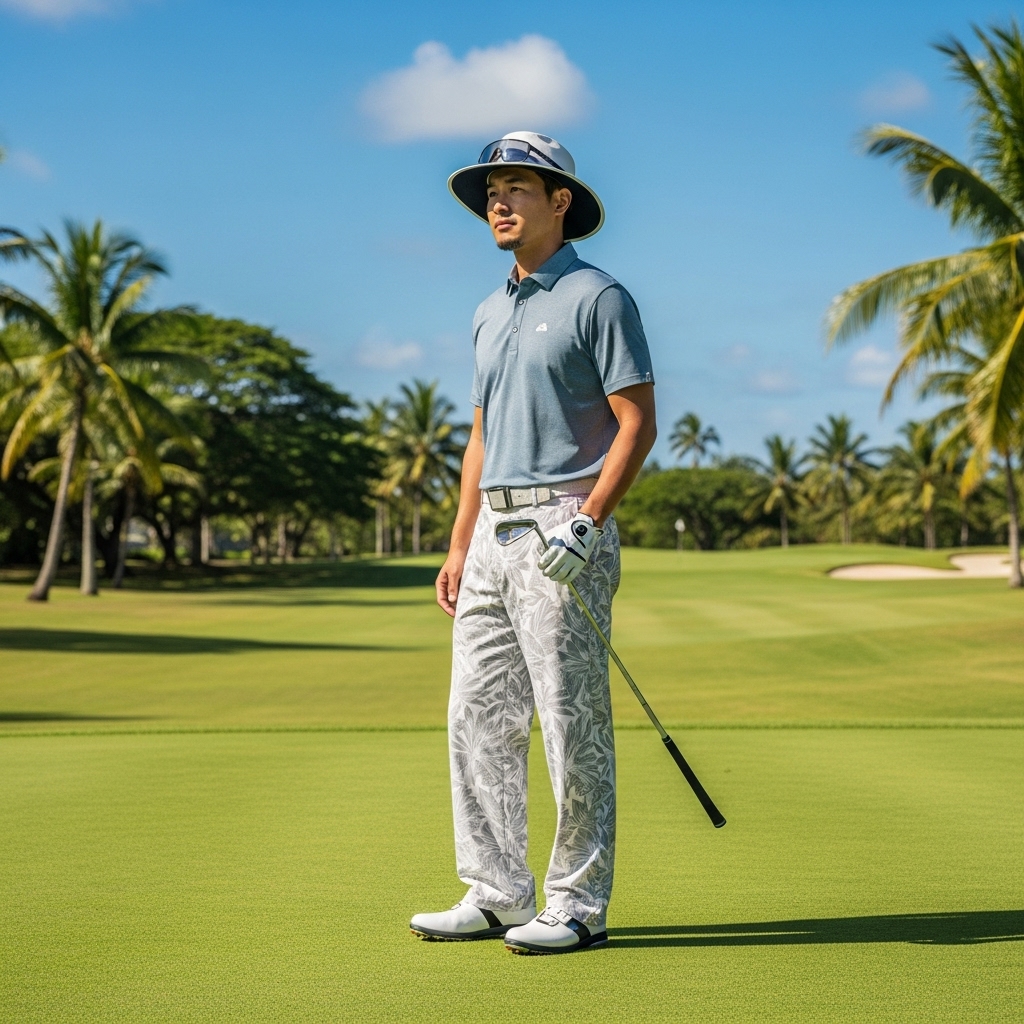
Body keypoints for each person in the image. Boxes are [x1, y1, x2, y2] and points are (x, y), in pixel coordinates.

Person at [410, 131, 656, 955]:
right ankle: (496, 891)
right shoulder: (487, 310)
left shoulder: (599, 296)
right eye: (491, 193)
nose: (500, 204)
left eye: (517, 188)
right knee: (476, 717)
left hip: (564, 519)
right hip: (490, 529)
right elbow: (479, 436)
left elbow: (637, 424)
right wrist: (457, 543)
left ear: (561, 203)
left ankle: (578, 902)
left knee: (568, 721)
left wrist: (588, 520)